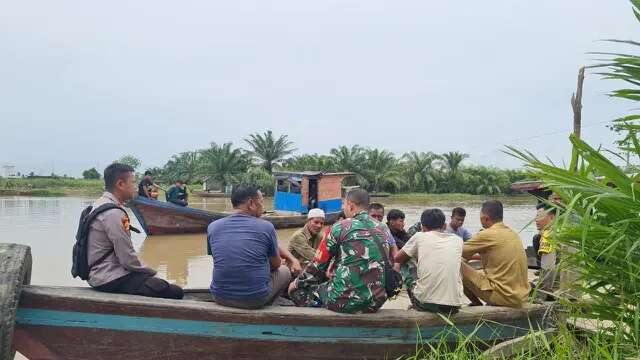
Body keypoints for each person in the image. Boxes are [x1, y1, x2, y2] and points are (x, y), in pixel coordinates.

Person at [88, 163, 183, 299]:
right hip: (109, 278)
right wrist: (151, 271)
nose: (135, 187)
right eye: (132, 182)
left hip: (96, 274)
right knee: (175, 292)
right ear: (120, 184)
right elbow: (128, 259)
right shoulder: (114, 214)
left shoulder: (96, 205)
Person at [288, 188, 390, 313]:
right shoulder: (384, 228)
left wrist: (296, 283)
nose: (344, 208)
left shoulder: (339, 227)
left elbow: (317, 266)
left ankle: (318, 319)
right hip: (376, 302)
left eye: (344, 204)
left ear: (350, 205)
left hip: (344, 302)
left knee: (297, 289)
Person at [208, 185, 302, 309]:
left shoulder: (213, 227)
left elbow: (220, 257)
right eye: (262, 202)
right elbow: (276, 265)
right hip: (254, 300)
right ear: (251, 203)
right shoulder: (266, 227)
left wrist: (291, 258)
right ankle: (268, 306)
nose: (263, 208)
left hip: (219, 296)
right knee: (284, 271)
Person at [461, 200, 530, 308]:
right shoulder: (513, 234)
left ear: (486, 218)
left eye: (481, 219)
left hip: (504, 297)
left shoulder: (487, 234)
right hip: (521, 296)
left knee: (455, 263)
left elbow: (453, 251)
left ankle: (476, 304)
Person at [395, 209, 464, 315]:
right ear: (445, 226)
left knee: (406, 261)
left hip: (426, 304)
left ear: (422, 227)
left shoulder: (419, 236)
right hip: (454, 306)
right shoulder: (458, 240)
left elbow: (397, 258)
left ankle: (415, 303)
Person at [533, 204, 557, 300]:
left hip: (557, 292)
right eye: (536, 217)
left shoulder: (548, 237)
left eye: (540, 216)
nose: (536, 220)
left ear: (551, 217)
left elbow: (548, 271)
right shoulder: (560, 231)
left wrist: (539, 297)